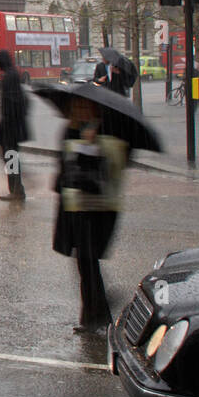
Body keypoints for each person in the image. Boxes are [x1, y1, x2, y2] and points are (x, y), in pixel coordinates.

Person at [51, 97, 128, 332]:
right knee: (84, 263)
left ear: (94, 108)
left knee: (88, 261)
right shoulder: (69, 130)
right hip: (74, 208)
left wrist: (95, 146)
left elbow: (114, 168)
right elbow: (64, 168)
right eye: (77, 107)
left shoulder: (105, 131)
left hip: (97, 210)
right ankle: (97, 311)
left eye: (85, 107)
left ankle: (95, 314)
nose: (81, 111)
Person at [0, 49, 31, 202]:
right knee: (10, 155)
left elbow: (13, 102)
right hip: (11, 124)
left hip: (10, 124)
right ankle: (16, 187)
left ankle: (16, 189)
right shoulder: (11, 74)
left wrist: (7, 119)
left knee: (10, 156)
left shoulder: (10, 76)